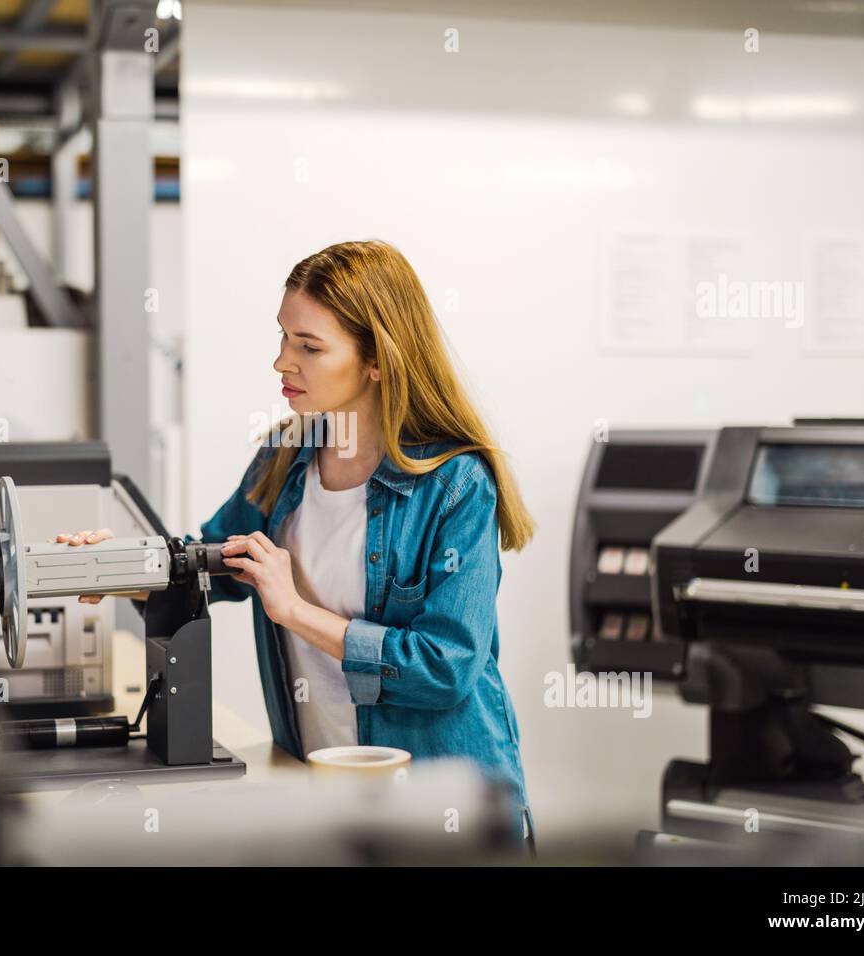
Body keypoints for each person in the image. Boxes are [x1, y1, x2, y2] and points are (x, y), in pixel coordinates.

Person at [59, 240, 537, 846]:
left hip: (445, 815)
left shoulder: (456, 483)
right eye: (284, 338)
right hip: (326, 797)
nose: (282, 362)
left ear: (378, 360)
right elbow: (210, 563)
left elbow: (447, 668)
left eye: (309, 347)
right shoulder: (284, 456)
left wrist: (295, 612)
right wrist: (115, 567)